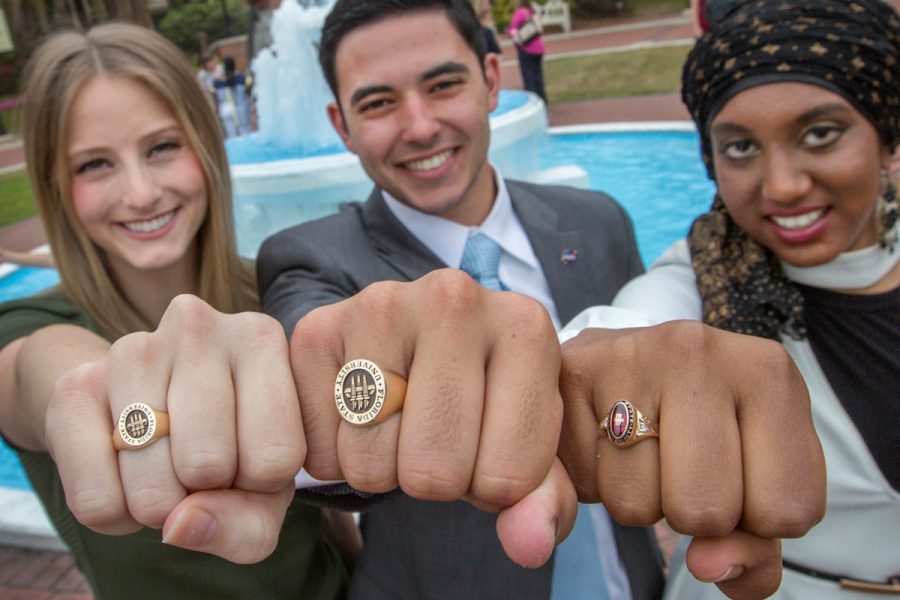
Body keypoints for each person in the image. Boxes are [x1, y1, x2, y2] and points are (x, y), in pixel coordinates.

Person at [258, 1, 823, 599]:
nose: (420, 126)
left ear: (493, 81)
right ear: (341, 125)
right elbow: (317, 382)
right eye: (378, 103)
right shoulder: (310, 257)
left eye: (443, 85)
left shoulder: (597, 220)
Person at [565, 0, 900, 597]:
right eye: (741, 147)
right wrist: (602, 368)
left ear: (888, 138)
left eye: (820, 134)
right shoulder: (702, 275)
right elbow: (625, 335)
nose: (784, 187)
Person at [0, 23, 348, 598]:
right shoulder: (29, 329)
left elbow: (327, 514)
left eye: (161, 148)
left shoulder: (278, 292)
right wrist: (93, 391)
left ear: (208, 147)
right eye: (94, 165)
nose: (140, 192)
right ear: (56, 186)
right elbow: (47, 376)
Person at [507, 0, 546, 102]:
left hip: (527, 49)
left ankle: (533, 102)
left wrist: (508, 31)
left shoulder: (519, 13)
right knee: (538, 75)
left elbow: (513, 30)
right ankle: (542, 99)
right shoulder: (531, 12)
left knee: (529, 77)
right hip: (539, 48)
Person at [212, 56, 253, 139]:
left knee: (231, 136)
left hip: (225, 110)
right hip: (242, 109)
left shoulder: (217, 82)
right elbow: (249, 93)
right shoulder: (243, 78)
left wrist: (215, 111)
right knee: (245, 133)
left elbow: (215, 99)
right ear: (234, 65)